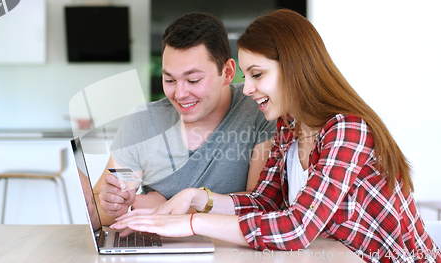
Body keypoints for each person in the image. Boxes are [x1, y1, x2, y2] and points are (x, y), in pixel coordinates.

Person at [110, 9, 441, 263]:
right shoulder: (288, 128)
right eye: (246, 75)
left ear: (296, 68)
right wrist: (195, 197)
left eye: (257, 74)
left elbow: (297, 228)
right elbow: (264, 203)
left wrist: (193, 223)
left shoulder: (346, 129)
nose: (248, 88)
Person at [93, 13, 277, 226]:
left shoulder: (259, 111)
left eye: (193, 80)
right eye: (169, 79)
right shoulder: (142, 123)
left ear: (227, 72)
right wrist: (115, 206)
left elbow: (260, 204)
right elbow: (99, 211)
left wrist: (165, 209)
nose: (180, 94)